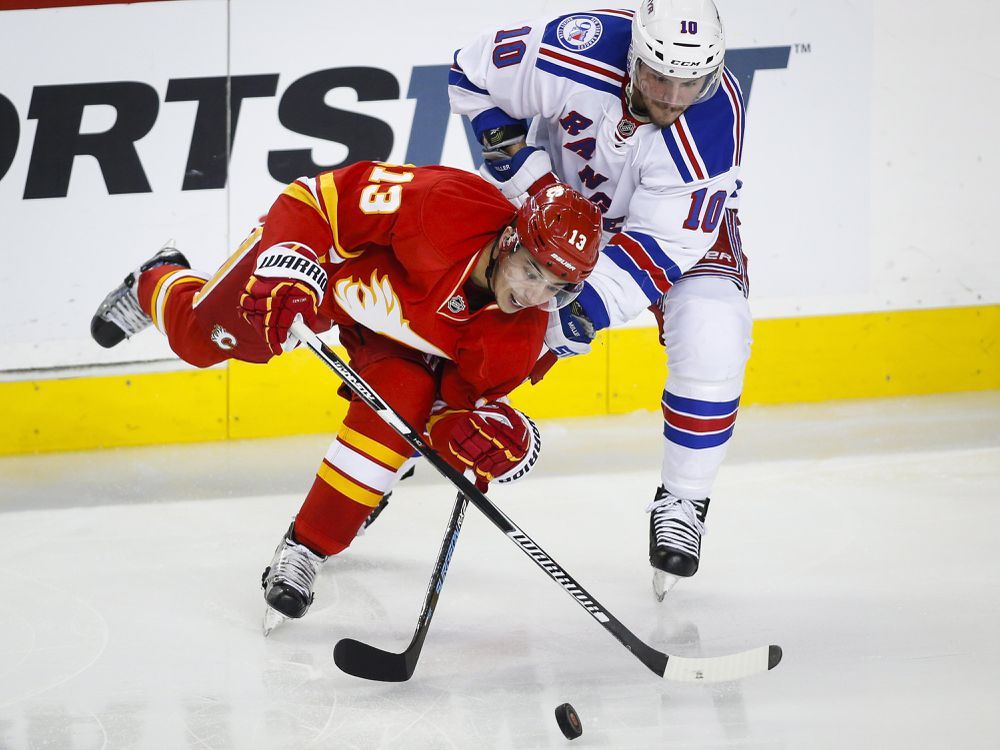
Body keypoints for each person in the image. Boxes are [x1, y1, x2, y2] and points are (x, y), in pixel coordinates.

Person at [90, 161, 602, 633]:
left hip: (392, 343)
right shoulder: (444, 205)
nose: (535, 296)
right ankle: (154, 279)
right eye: (532, 272)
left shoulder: (517, 338)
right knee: (201, 341)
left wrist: (468, 433)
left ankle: (306, 548)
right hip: (325, 278)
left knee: (401, 407)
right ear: (510, 239)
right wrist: (289, 261)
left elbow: (451, 406)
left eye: (555, 288)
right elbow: (315, 199)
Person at [449, 0, 751, 598]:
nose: (671, 96)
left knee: (715, 335)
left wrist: (580, 308)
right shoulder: (579, 46)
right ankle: (396, 453)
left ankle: (684, 501)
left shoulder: (713, 120)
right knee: (463, 331)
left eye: (690, 81)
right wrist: (518, 162)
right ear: (633, 56)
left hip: (670, 234)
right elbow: (470, 71)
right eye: (659, 76)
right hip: (556, 216)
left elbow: (661, 243)